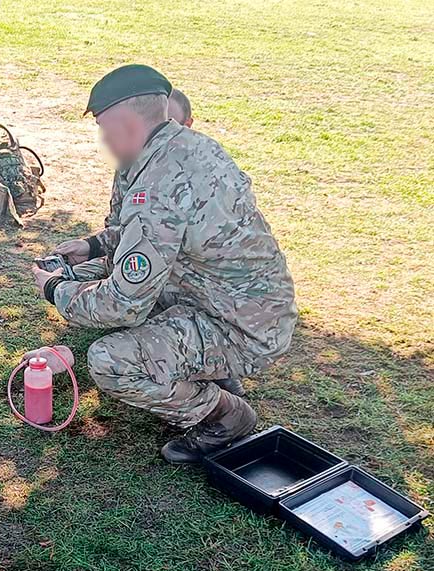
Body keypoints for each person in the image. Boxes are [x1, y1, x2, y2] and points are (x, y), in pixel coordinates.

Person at [31, 65, 297, 463]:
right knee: (111, 278)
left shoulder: (157, 187)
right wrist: (93, 246)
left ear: (127, 123)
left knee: (109, 360)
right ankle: (211, 370)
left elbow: (123, 304)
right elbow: (163, 236)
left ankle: (224, 415)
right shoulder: (191, 148)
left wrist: (56, 289)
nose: (103, 141)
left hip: (242, 328)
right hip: (242, 303)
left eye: (104, 129)